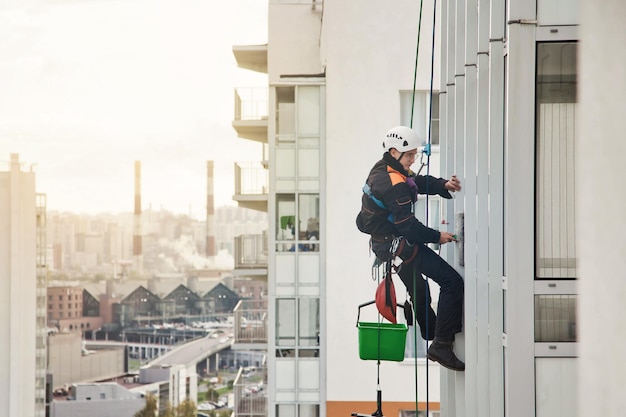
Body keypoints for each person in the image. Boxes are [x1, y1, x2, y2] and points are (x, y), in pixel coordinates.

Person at [356, 125, 465, 371]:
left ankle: (432, 332)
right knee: (451, 282)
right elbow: (410, 228)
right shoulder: (393, 182)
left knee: (420, 289)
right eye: (409, 156)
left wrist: (443, 185)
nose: (413, 159)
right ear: (394, 152)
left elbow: (416, 182)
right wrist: (438, 236)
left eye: (415, 154)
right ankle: (441, 343)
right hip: (398, 244)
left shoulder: (385, 167)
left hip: (387, 245)